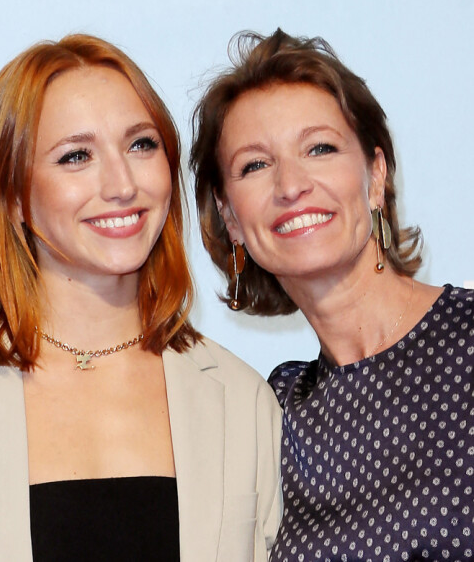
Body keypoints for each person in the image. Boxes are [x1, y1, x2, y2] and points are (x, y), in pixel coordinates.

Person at [0, 34, 281, 562]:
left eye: (142, 145)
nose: (122, 184)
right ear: (12, 196)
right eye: (76, 156)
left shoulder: (243, 400)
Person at [190, 28, 474, 561]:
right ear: (230, 217)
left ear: (374, 176)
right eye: (255, 165)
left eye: (319, 148)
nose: (290, 185)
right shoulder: (270, 415)